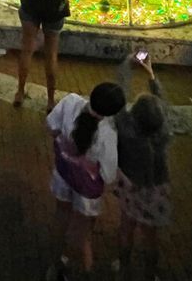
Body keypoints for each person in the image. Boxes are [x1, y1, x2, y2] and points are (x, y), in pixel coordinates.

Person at [45, 80, 126, 281]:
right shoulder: (108, 133)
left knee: (60, 218)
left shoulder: (71, 101)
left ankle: (54, 268)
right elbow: (107, 175)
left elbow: (51, 127)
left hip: (63, 175)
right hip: (86, 190)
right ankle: (87, 272)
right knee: (84, 235)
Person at [113, 54, 171, 281]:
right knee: (151, 236)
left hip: (131, 188)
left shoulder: (127, 131)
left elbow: (120, 94)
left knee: (126, 228)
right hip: (157, 190)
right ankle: (149, 275)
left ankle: (124, 269)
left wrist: (127, 65)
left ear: (133, 116)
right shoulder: (163, 133)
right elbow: (162, 106)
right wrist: (151, 75)